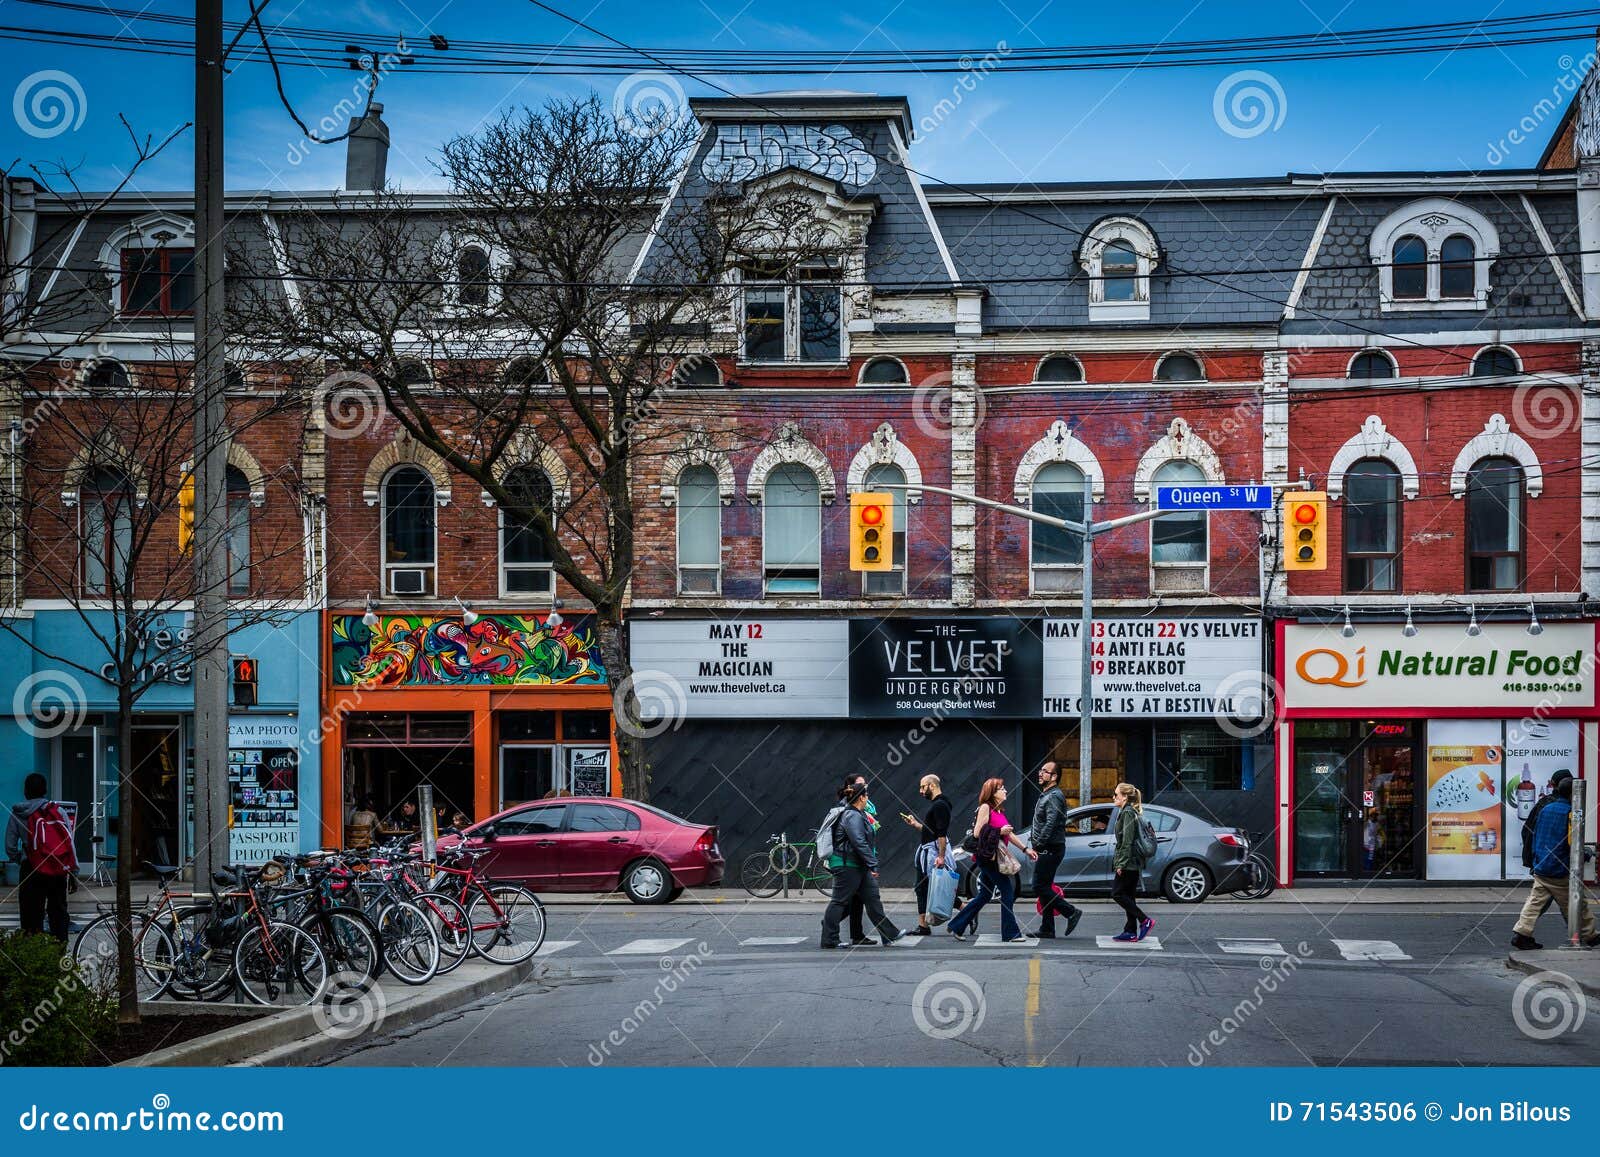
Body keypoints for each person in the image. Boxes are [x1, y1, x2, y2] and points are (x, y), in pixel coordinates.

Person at [1511, 775, 1599, 950]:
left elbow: (1535, 835)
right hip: (1559, 869)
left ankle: (1522, 933)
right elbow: (1572, 843)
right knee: (1576, 902)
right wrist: (1585, 855)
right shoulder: (1571, 813)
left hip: (1542, 865)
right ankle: (1588, 935)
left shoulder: (1546, 808)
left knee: (1534, 902)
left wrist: (1536, 859)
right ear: (1574, 794)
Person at [946, 777, 1036, 943]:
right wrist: (999, 830)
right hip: (987, 858)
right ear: (992, 793)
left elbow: (1008, 833)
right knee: (1007, 891)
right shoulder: (985, 807)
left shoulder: (999, 810)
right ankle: (1010, 933)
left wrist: (1025, 849)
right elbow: (977, 833)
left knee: (985, 895)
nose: (1005, 791)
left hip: (992, 857)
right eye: (1002, 789)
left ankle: (957, 924)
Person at [820, 784, 904, 949]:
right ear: (861, 798)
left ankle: (889, 934)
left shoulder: (858, 814)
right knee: (839, 901)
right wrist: (872, 863)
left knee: (873, 898)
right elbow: (858, 841)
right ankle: (829, 938)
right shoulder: (852, 816)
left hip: (857, 864)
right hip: (846, 864)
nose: (868, 799)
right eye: (867, 796)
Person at [6, 773, 75, 940]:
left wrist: (20, 858)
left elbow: (10, 845)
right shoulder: (57, 810)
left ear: (25, 791)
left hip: (31, 866)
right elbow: (69, 842)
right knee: (58, 911)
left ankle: (34, 952)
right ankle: (59, 954)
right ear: (45, 790)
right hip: (57, 865)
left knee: (30, 914)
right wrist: (73, 870)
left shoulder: (19, 813)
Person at [1028, 762, 1082, 938]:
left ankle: (1070, 911)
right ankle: (1047, 928)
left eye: (1045, 771)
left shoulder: (1054, 796)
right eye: (1040, 770)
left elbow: (1051, 823)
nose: (1040, 774)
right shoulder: (1048, 794)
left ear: (1054, 777)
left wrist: (1039, 843)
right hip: (1049, 846)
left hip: (1050, 847)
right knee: (1045, 886)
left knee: (1039, 885)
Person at [901, 774, 952, 935]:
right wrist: (915, 824)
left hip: (933, 853)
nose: (921, 791)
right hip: (928, 851)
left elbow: (941, 834)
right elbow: (931, 831)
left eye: (923, 787)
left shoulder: (940, 805)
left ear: (932, 785)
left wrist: (941, 857)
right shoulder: (938, 804)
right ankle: (923, 926)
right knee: (926, 887)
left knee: (931, 887)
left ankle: (966, 911)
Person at [1110, 782, 1154, 942]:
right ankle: (1130, 931)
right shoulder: (1127, 811)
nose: (1113, 797)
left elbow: (1127, 841)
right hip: (1132, 861)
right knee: (1128, 895)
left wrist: (1121, 863)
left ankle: (1144, 920)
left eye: (1116, 794)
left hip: (1129, 862)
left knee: (1117, 893)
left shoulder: (1128, 812)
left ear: (1125, 797)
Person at [841, 774, 882, 945]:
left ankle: (857, 934)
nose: (865, 786)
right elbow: (857, 839)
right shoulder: (849, 809)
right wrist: (871, 863)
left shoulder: (865, 806)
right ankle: (831, 921)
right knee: (849, 899)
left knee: (857, 899)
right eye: (861, 785)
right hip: (852, 860)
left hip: (861, 858)